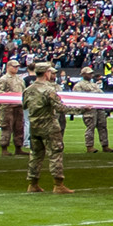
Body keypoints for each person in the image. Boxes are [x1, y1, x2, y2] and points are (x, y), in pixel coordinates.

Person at [23, 64, 70, 194]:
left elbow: (24, 105)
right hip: (49, 125)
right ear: (46, 73)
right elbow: (60, 108)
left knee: (35, 155)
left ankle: (33, 183)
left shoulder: (28, 90)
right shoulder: (49, 90)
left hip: (34, 125)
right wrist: (83, 108)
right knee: (55, 153)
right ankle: (58, 184)